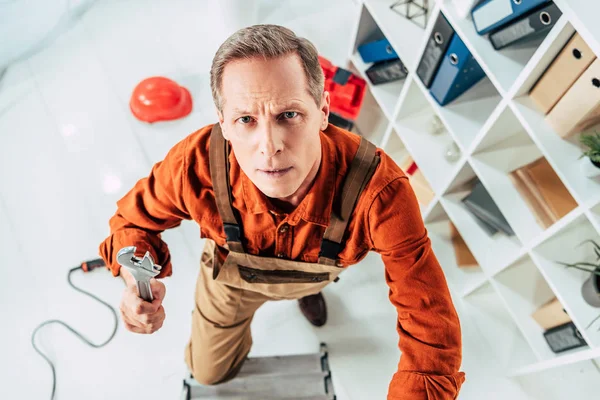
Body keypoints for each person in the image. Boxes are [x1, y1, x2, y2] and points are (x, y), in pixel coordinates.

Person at [99, 24, 466, 399]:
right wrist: (134, 282)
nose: (269, 146)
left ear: (323, 110)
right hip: (228, 286)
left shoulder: (380, 191)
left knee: (309, 278)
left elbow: (429, 323)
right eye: (246, 120)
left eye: (289, 115)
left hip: (313, 275)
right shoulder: (196, 164)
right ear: (223, 123)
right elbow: (132, 222)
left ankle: (303, 293)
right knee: (206, 373)